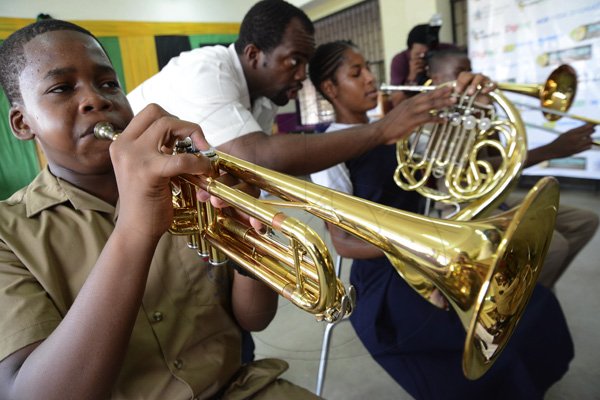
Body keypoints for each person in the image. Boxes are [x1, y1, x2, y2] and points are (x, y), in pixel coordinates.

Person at [0, 19, 322, 399]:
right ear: (22, 124)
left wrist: (249, 239)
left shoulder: (185, 190)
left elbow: (254, 319)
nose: (96, 100)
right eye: (61, 88)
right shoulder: (9, 235)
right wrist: (136, 229)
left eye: (108, 84)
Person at [308, 40, 574, 400]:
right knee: (467, 346)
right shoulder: (329, 149)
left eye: (369, 68)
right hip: (385, 277)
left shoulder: (396, 127)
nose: (372, 79)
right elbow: (343, 243)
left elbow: (457, 169)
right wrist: (421, 250)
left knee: (531, 308)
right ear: (330, 88)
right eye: (357, 73)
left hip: (439, 255)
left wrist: (474, 108)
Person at [127, 0, 489, 178]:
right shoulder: (205, 70)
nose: (303, 76)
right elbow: (258, 157)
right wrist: (382, 129)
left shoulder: (264, 98)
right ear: (254, 54)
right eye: (294, 61)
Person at [428, 48, 599, 288]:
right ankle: (521, 303)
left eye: (470, 69)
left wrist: (487, 115)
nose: (471, 77)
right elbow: (467, 172)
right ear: (436, 79)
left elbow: (498, 160)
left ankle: (534, 290)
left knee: (584, 221)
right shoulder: (434, 115)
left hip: (494, 198)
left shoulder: (476, 108)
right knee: (555, 247)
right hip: (462, 207)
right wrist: (551, 150)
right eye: (460, 72)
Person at [388, 23, 458, 107]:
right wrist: (411, 78)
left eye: (426, 55)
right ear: (409, 51)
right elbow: (397, 103)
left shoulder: (445, 51)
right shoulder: (400, 61)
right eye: (418, 54)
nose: (423, 58)